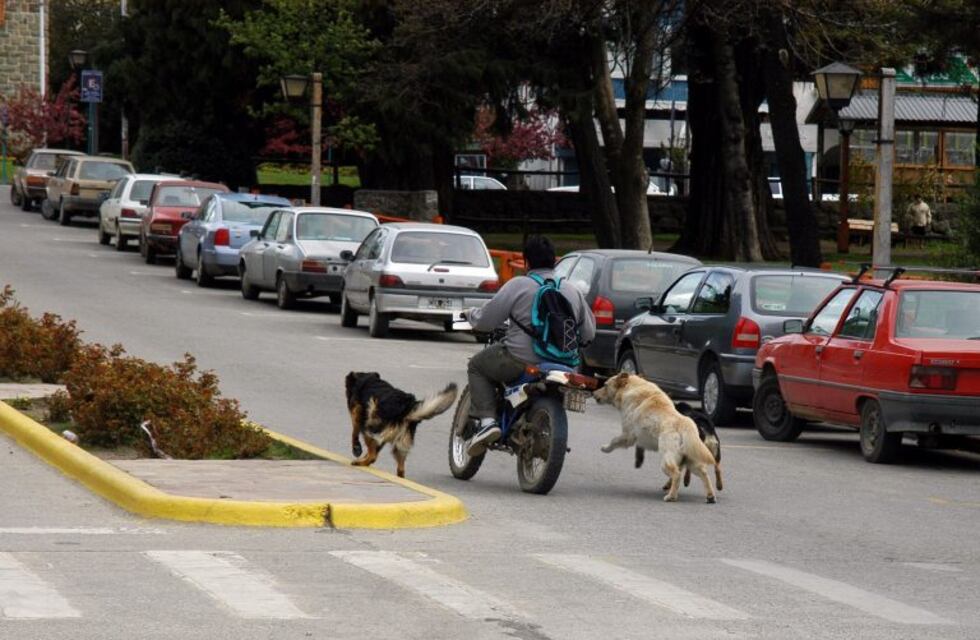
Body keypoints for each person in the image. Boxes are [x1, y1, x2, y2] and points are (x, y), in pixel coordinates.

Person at [462, 235, 596, 456]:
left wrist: (470, 316)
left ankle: (487, 422)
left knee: (477, 365)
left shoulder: (518, 285)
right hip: (564, 366)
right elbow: (589, 333)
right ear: (555, 261)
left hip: (520, 360)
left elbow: (487, 321)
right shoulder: (572, 291)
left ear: (526, 263)